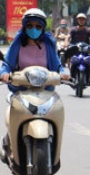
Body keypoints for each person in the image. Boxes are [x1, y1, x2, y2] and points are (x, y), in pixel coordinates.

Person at [0, 9, 69, 160]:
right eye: (30, 25)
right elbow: (7, 64)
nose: (34, 29)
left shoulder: (49, 45)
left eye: (38, 26)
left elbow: (57, 65)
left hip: (45, 90)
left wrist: (64, 73)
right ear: (24, 26)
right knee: (12, 111)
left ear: (43, 28)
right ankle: (8, 140)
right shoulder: (18, 44)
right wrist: (4, 74)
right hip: (20, 89)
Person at [64, 13, 90, 85]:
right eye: (80, 19)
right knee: (69, 57)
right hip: (74, 48)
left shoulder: (88, 30)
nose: (81, 20)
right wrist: (66, 43)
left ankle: (89, 78)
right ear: (77, 20)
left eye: (83, 19)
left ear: (85, 20)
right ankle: (71, 74)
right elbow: (68, 37)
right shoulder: (73, 29)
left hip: (85, 49)